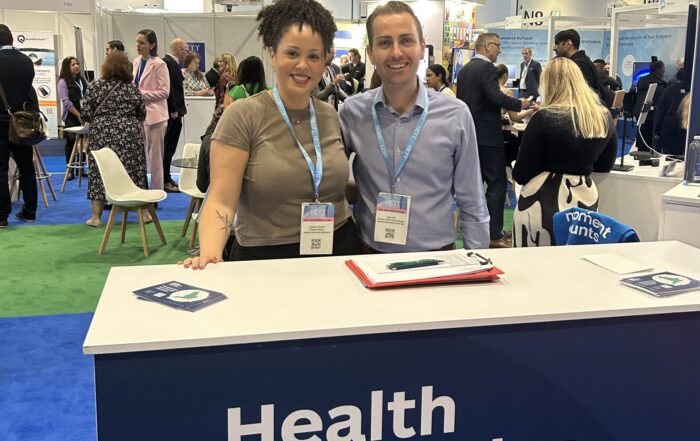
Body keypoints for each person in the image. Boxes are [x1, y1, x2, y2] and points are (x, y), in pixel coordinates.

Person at [179, 0, 358, 269]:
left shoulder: (329, 115)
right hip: (265, 258)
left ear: (324, 61)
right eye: (292, 53)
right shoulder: (243, 115)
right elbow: (220, 200)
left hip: (338, 249)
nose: (302, 65)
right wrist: (210, 255)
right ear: (273, 55)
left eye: (313, 56)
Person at [340, 1, 489, 253]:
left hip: (437, 258)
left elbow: (472, 200)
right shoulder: (351, 113)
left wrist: (477, 263)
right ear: (371, 52)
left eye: (406, 40)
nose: (396, 52)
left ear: (422, 48)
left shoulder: (455, 115)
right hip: (368, 255)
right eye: (385, 42)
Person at [512, 57, 617, 247]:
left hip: (540, 204)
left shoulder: (543, 118)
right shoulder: (602, 117)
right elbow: (604, 166)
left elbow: (521, 173)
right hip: (584, 202)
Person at [457, 32, 530, 248]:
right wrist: (520, 104)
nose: (499, 49)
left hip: (470, 134)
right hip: (488, 135)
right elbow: (494, 96)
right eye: (498, 45)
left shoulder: (466, 70)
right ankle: (494, 234)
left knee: (473, 184)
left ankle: (474, 229)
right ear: (487, 46)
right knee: (497, 184)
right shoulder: (487, 67)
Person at [82, 51, 148, 227]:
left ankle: (96, 217)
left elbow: (86, 113)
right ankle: (144, 214)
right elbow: (142, 112)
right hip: (129, 133)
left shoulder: (95, 86)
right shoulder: (132, 88)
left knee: (99, 171)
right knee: (134, 170)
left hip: (101, 132)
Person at [0, 24, 38, 227]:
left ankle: (2, 216)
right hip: (22, 122)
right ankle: (30, 211)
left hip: (0, 122)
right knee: (26, 168)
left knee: (0, 170)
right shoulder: (26, 61)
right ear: (11, 39)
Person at [133, 29, 170, 191]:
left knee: (155, 159)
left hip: (156, 117)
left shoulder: (160, 64)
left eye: (142, 43)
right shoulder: (135, 61)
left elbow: (165, 91)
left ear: (152, 45)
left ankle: (156, 193)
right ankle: (142, 190)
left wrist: (141, 94)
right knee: (140, 157)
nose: (138, 46)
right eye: (137, 42)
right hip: (139, 115)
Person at [553, 29, 613, 107]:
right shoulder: (584, 62)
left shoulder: (577, 66)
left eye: (557, 43)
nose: (554, 48)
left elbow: (575, 97)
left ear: (568, 43)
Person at [162, 38, 189, 193]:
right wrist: (173, 109)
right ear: (179, 50)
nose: (186, 53)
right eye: (185, 50)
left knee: (169, 147)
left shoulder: (171, 64)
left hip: (174, 110)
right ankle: (165, 180)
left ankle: (166, 178)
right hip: (173, 112)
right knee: (168, 147)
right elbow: (170, 89)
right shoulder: (169, 64)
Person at [495, 64, 536, 165]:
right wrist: (531, 110)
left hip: (489, 130)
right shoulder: (507, 92)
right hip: (499, 133)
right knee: (517, 141)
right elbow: (515, 117)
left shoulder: (490, 89)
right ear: (505, 76)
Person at [57, 56, 89, 181]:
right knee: (71, 141)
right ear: (67, 68)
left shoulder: (82, 80)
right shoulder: (63, 82)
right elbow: (66, 102)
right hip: (71, 115)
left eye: (77, 64)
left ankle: (80, 168)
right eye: (73, 64)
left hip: (84, 114)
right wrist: (78, 115)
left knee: (84, 142)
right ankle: (70, 170)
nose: (76, 66)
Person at [632, 56, 666, 151]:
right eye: (663, 69)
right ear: (659, 69)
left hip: (639, 113)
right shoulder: (660, 85)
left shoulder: (641, 80)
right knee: (650, 142)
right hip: (652, 117)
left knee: (642, 138)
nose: (664, 72)